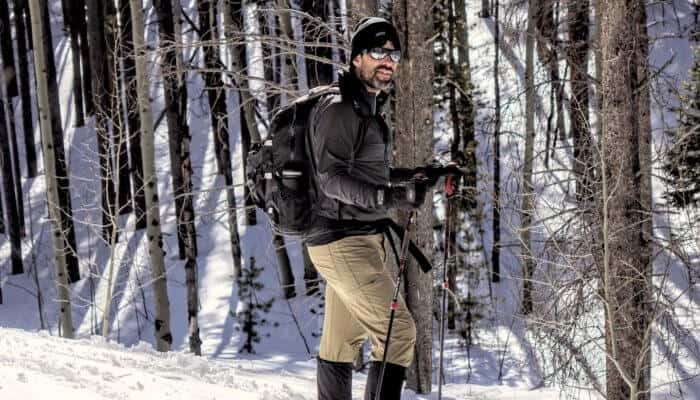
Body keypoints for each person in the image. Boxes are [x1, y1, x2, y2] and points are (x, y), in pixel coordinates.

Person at [304, 17, 432, 400]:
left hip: (355, 240)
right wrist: (389, 199)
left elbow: (367, 172)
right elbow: (332, 179)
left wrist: (415, 176)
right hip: (342, 241)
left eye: (393, 53)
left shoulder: (365, 108)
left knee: (341, 342)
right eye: (378, 51)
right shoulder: (341, 109)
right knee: (398, 333)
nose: (387, 60)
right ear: (357, 58)